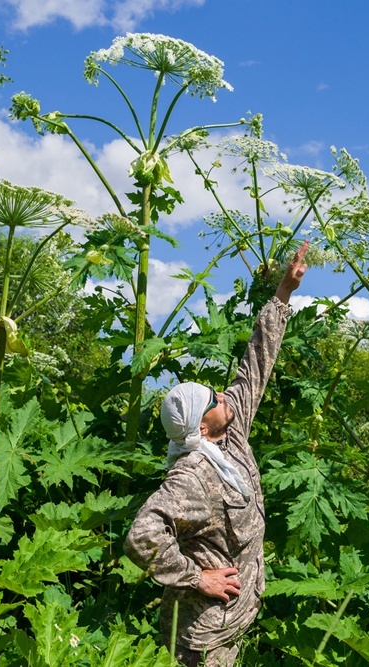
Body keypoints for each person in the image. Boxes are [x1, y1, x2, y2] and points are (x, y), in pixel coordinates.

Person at [125, 241, 309, 667]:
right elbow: (141, 536)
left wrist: (283, 293)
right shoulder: (191, 475)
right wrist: (196, 578)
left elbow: (255, 366)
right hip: (201, 638)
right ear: (200, 427)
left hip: (232, 623)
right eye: (212, 398)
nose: (223, 394)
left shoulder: (232, 438)